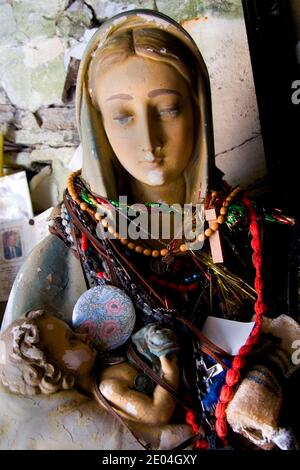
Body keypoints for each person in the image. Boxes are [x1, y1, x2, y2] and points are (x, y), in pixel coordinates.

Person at [1, 10, 299, 450]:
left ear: (197, 108)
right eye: (123, 116)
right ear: (97, 124)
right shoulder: (77, 239)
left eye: (168, 108)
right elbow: (25, 402)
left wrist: (265, 373)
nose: (149, 140)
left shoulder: (240, 225)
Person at [0, 310, 180, 427]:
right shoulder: (108, 389)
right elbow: (158, 414)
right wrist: (170, 371)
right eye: (72, 339)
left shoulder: (104, 367)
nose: (83, 335)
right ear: (57, 374)